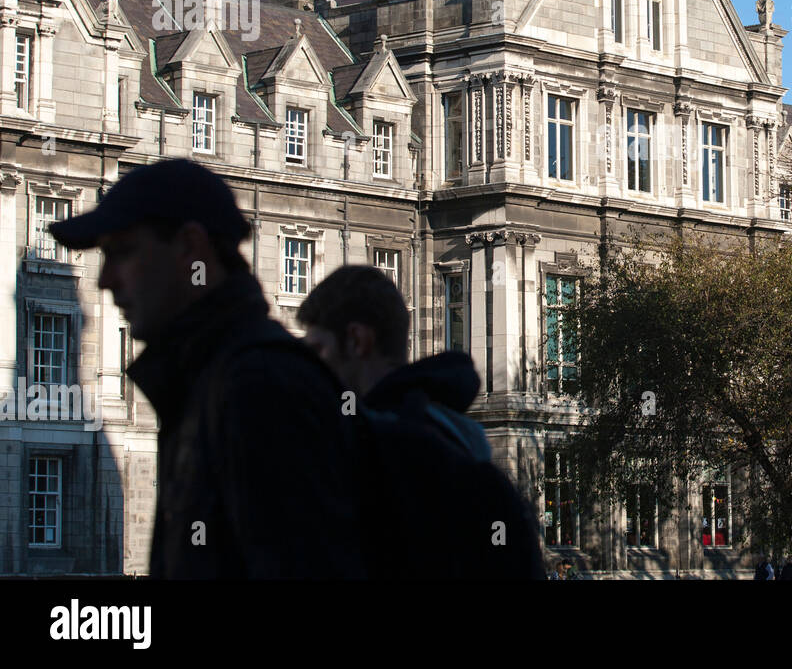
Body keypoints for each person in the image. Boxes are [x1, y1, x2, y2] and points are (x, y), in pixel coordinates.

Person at [50, 158, 366, 578]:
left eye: (122, 252)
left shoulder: (261, 387)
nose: (104, 279)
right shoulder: (206, 380)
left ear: (190, 249)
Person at [298, 264, 544, 579]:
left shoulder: (354, 459)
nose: (311, 368)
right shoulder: (472, 457)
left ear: (357, 340)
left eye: (318, 349)